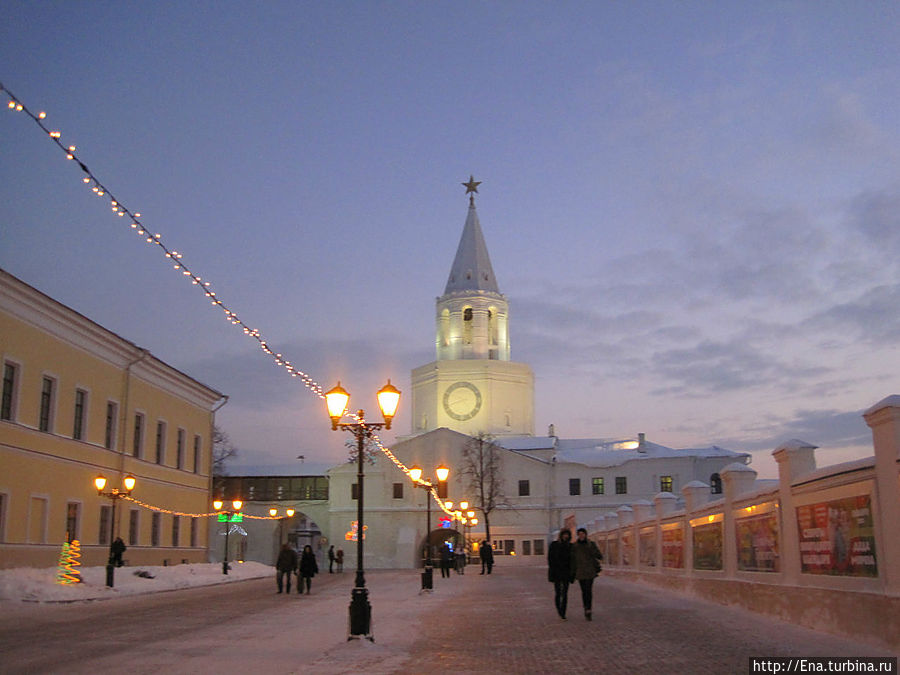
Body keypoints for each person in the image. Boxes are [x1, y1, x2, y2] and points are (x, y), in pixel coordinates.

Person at [572, 527, 603, 620]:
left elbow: (599, 556)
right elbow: (572, 560)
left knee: (588, 590)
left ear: (585, 534)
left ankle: (588, 609)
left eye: (583, 534)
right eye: (580, 534)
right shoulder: (575, 546)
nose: (581, 535)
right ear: (578, 535)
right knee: (584, 591)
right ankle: (586, 607)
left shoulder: (591, 544)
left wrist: (592, 551)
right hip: (580, 571)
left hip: (590, 571)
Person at [547, 529, 574, 619]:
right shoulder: (554, 545)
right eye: (564, 534)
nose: (565, 536)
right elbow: (550, 559)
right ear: (561, 535)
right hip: (557, 572)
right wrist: (552, 570)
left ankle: (563, 611)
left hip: (566, 573)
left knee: (565, 593)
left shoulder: (570, 546)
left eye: (567, 535)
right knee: (558, 592)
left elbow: (573, 560)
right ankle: (559, 609)